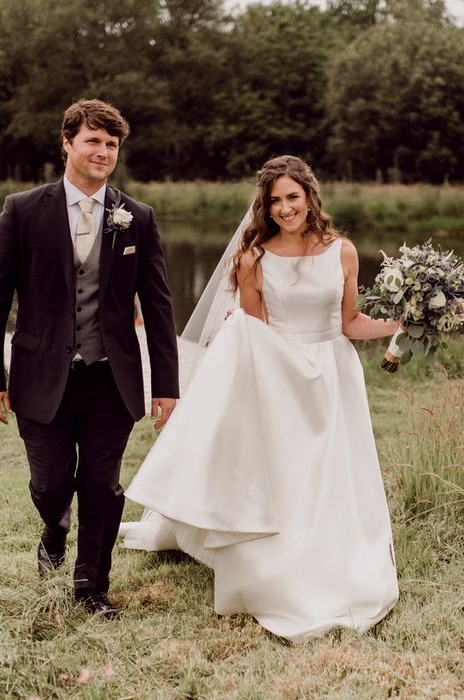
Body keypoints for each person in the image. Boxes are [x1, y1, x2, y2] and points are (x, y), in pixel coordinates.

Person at [120, 155, 400, 642]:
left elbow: (349, 323)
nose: (286, 208)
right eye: (275, 201)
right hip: (279, 375)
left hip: (333, 374)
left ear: (310, 196)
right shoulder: (253, 258)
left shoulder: (344, 252)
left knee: (330, 471)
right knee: (285, 471)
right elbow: (254, 333)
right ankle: (273, 567)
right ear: (265, 207)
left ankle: (331, 556)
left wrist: (400, 324)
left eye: (293, 197)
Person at [0, 99, 179, 619]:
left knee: (102, 486)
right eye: (93, 141)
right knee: (49, 484)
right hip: (40, 374)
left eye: (112, 144)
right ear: (67, 143)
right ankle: (53, 525)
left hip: (112, 379)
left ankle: (91, 586)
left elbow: (158, 307)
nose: (103, 152)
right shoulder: (21, 210)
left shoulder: (137, 217)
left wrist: (166, 385)